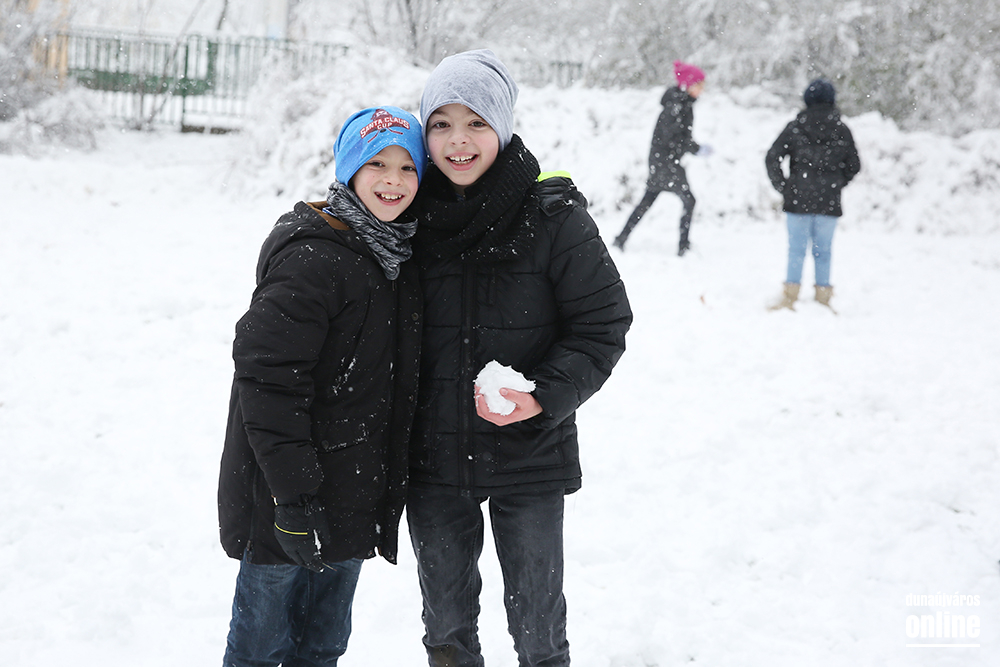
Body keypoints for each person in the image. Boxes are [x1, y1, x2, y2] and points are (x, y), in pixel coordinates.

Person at [405, 50, 633, 667]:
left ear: (502, 127)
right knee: (446, 629)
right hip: (432, 458)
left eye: (476, 122)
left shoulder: (553, 218)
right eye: (441, 123)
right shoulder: (406, 217)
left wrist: (544, 395)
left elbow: (603, 322)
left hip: (530, 452)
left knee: (538, 630)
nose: (458, 140)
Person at [217, 105, 427, 667]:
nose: (393, 180)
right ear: (350, 169)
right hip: (287, 498)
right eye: (377, 163)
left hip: (352, 496)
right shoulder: (313, 259)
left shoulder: (396, 256)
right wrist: (292, 498)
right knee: (260, 650)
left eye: (407, 167)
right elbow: (267, 380)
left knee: (322, 648)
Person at [765, 77, 861, 312]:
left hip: (798, 199)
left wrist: (784, 186)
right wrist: (837, 183)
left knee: (796, 250)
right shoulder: (841, 130)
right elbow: (854, 165)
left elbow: (772, 157)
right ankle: (823, 297)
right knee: (824, 251)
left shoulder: (795, 127)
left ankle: (790, 296)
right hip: (828, 201)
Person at [613, 60, 710, 256]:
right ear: (688, 85)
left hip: (662, 162)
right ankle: (683, 247)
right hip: (667, 163)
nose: (702, 89)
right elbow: (673, 139)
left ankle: (621, 238)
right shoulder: (676, 106)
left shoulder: (681, 104)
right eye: (699, 85)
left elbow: (679, 137)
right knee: (689, 201)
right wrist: (696, 149)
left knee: (648, 200)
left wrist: (691, 147)